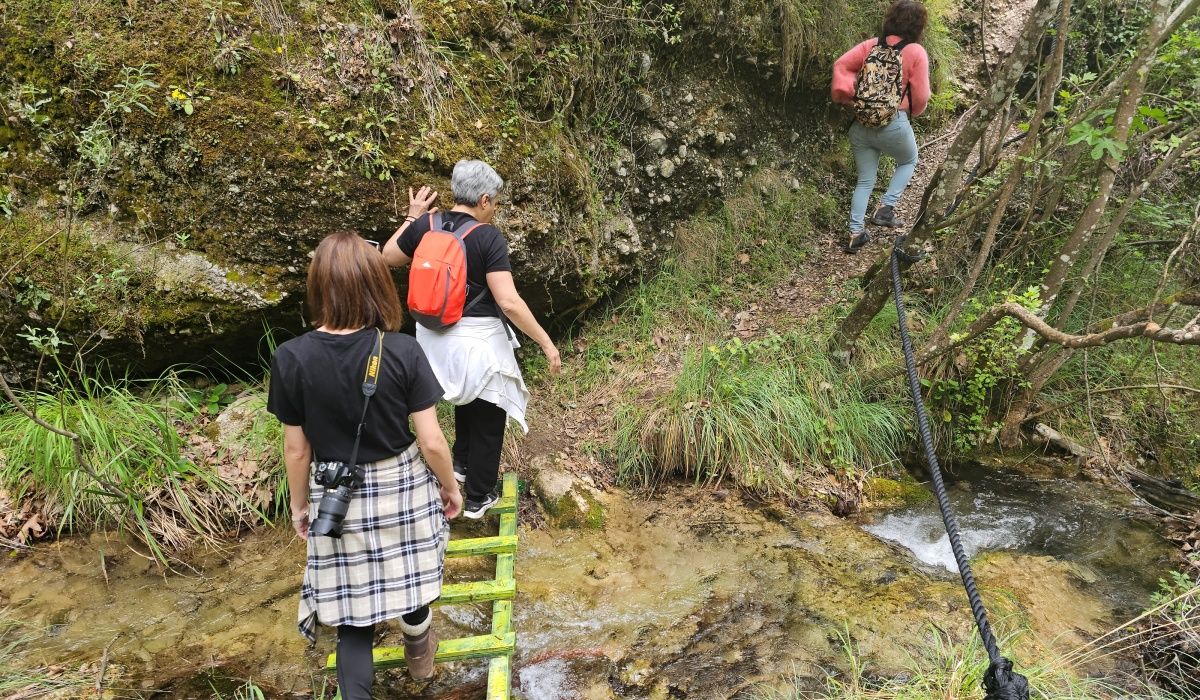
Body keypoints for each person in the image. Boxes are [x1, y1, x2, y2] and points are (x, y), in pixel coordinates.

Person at [267, 231, 463, 697]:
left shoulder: (290, 357)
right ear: (376, 283)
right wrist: (450, 486)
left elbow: (297, 450)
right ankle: (420, 659)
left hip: (335, 493)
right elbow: (431, 440)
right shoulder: (402, 350)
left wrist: (300, 506)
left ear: (319, 286)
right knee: (410, 581)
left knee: (352, 618)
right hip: (401, 486)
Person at [382, 159, 561, 520]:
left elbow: (387, 257)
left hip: (430, 341)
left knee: (466, 404)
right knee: (488, 417)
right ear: (482, 200)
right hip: (476, 344)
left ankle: (461, 466)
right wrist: (545, 342)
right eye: (494, 201)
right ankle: (479, 496)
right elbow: (508, 301)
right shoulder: (487, 237)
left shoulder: (425, 225)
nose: (494, 209)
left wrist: (412, 216)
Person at [832, 0, 931, 253]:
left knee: (865, 181)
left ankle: (855, 233)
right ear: (919, 25)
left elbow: (841, 65)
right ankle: (885, 208)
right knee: (908, 161)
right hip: (893, 124)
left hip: (861, 122)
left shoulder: (871, 45)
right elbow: (921, 96)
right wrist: (913, 112)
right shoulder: (916, 52)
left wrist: (848, 98)